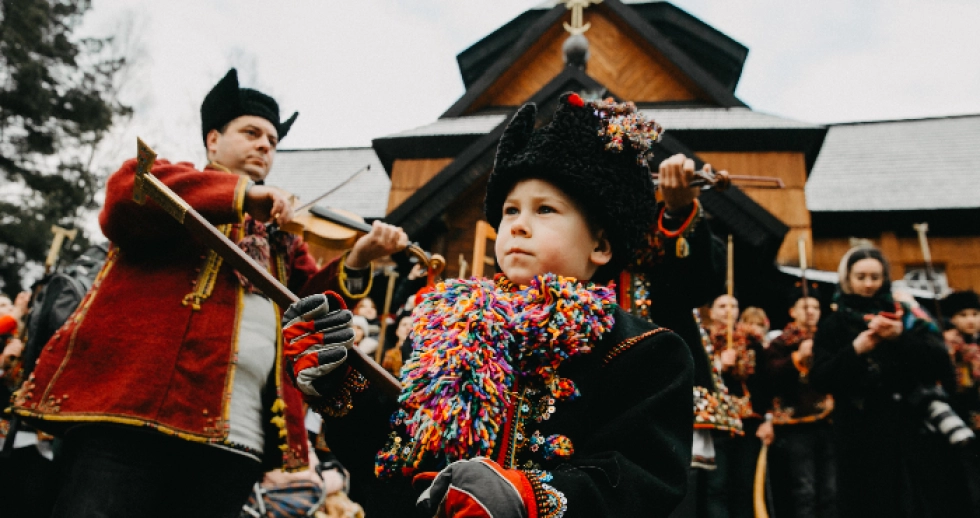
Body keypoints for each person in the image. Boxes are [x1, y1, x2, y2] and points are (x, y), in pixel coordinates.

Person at [9, 68, 407, 518]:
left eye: (273, 141)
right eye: (252, 133)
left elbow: (312, 309)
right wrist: (242, 196)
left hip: (239, 440)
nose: (265, 146)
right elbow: (127, 191)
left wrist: (358, 258)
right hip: (138, 422)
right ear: (213, 140)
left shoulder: (282, 240)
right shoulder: (179, 188)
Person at [281, 93, 694, 517]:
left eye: (545, 209)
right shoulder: (444, 328)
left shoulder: (645, 351)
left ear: (601, 245)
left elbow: (642, 480)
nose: (517, 223)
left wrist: (526, 498)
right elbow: (390, 456)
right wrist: (340, 384)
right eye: (509, 209)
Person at [810, 246, 972, 517]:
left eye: (875, 277)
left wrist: (901, 338)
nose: (868, 284)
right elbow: (821, 378)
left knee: (908, 501)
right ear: (848, 278)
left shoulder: (905, 313)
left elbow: (938, 363)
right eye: (860, 277)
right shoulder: (833, 324)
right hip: (857, 430)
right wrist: (856, 350)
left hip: (905, 426)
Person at [763, 288, 836, 517]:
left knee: (831, 490)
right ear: (792, 311)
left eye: (815, 307)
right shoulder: (780, 343)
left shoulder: (828, 339)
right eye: (805, 307)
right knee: (804, 489)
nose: (811, 312)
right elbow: (770, 376)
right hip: (796, 424)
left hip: (829, 421)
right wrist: (796, 359)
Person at [706, 293, 771, 518]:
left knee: (744, 486)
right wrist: (718, 365)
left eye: (733, 306)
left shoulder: (753, 344)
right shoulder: (703, 341)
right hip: (717, 424)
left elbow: (764, 385)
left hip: (747, 423)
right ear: (711, 312)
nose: (728, 310)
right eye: (722, 305)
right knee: (717, 486)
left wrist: (767, 419)